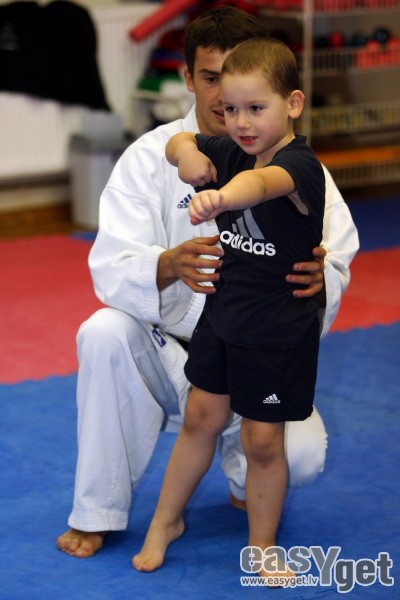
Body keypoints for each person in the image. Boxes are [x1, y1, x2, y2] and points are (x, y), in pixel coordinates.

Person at [56, 7, 359, 559]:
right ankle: (98, 511)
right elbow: (109, 264)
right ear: (189, 79)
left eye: (243, 87)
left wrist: (323, 277)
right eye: (212, 78)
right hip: (171, 357)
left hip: (259, 348)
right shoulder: (150, 156)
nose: (228, 100)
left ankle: (245, 480)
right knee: (102, 331)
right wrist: (167, 263)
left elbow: (335, 250)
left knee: (301, 453)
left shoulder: (294, 162)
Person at [132, 37, 325, 580]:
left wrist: (221, 196)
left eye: (256, 108)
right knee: (200, 418)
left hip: (276, 333)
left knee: (261, 440)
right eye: (232, 109)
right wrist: (188, 154)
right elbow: (181, 141)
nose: (241, 122)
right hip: (222, 319)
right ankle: (164, 522)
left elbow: (263, 184)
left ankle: (262, 544)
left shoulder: (300, 165)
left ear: (293, 104)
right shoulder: (231, 148)